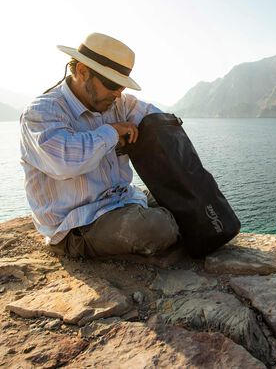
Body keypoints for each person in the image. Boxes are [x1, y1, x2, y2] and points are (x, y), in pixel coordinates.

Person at [19, 32, 180, 258]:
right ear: (82, 71)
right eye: (112, 84)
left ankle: (177, 222)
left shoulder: (117, 103)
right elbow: (67, 162)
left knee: (187, 198)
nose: (117, 94)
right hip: (78, 224)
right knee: (158, 228)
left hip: (121, 200)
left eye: (122, 87)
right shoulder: (42, 112)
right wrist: (111, 132)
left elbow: (159, 121)